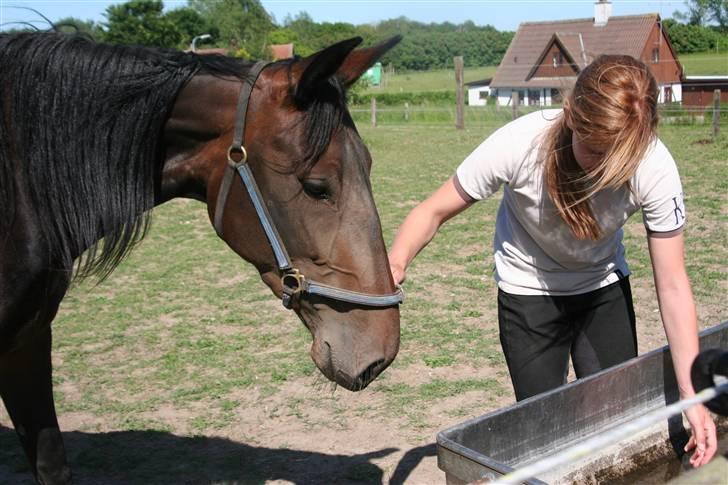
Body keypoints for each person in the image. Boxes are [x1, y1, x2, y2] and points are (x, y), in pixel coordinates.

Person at [388, 55, 717, 467]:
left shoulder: (654, 166)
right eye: (597, 150)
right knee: (545, 433)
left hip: (602, 288)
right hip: (528, 292)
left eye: (622, 155)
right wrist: (397, 261)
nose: (607, 169)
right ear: (571, 117)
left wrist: (692, 395)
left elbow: (672, 284)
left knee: (616, 423)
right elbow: (432, 210)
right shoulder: (520, 144)